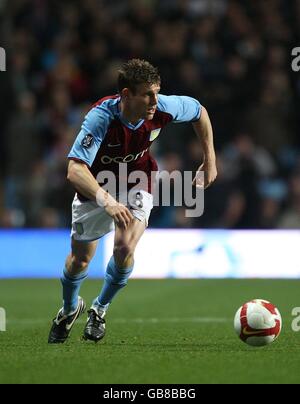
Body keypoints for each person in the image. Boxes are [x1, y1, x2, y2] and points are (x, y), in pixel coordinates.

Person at [48, 59, 217, 344]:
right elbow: (75, 170)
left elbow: (199, 112)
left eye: (157, 92)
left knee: (124, 246)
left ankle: (99, 310)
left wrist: (209, 160)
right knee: (79, 260)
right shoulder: (100, 118)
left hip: (138, 180)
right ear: (126, 95)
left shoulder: (163, 107)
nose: (155, 101)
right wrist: (107, 201)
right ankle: (68, 309)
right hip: (97, 187)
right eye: (147, 94)